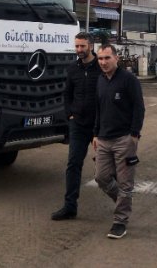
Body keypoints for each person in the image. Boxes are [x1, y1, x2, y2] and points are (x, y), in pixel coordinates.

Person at [93, 44, 145, 239]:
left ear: (116, 58)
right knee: (101, 177)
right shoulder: (100, 80)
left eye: (107, 58)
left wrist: (134, 134)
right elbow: (99, 109)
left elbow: (139, 107)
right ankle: (123, 201)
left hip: (124, 139)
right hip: (103, 139)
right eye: (100, 59)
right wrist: (95, 134)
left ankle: (120, 222)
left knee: (125, 183)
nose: (103, 62)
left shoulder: (129, 80)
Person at [51, 32, 101, 221]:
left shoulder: (101, 67)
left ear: (91, 46)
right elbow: (67, 93)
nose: (79, 50)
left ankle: (120, 206)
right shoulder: (73, 68)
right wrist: (69, 115)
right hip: (78, 124)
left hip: (98, 126)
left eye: (82, 46)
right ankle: (70, 206)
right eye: (77, 46)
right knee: (73, 164)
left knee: (107, 168)